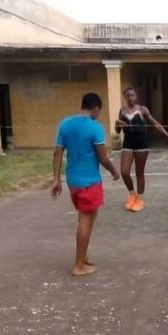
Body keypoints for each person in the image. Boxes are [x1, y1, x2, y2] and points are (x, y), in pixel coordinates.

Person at [51, 93, 120, 276]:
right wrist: (114, 170)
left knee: (88, 217)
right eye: (99, 111)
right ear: (96, 108)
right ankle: (79, 265)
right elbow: (103, 157)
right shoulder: (95, 128)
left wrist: (56, 179)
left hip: (73, 180)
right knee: (86, 220)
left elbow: (57, 153)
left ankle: (83, 256)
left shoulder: (65, 124)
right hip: (89, 181)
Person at [116, 87, 168, 212]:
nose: (130, 98)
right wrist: (117, 124)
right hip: (128, 142)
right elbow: (118, 130)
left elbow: (156, 124)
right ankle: (132, 195)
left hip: (141, 142)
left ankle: (139, 199)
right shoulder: (122, 111)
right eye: (127, 95)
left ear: (136, 96)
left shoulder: (142, 110)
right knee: (124, 172)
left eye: (132, 95)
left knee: (140, 173)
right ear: (125, 97)